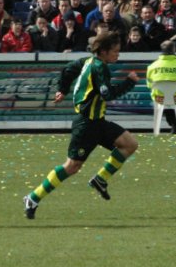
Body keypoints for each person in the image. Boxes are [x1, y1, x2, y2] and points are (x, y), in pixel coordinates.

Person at [23, 31, 139, 218]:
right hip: (86, 124)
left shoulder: (86, 61)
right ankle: (33, 197)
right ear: (103, 51)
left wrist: (62, 89)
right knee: (72, 166)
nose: (118, 54)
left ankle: (100, 179)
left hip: (97, 122)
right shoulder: (100, 67)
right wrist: (129, 82)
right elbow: (108, 94)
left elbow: (68, 70)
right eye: (115, 51)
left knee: (129, 144)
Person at [146, 40, 176, 134]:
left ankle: (174, 124)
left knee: (166, 100)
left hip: (160, 98)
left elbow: (149, 85)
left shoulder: (152, 67)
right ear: (174, 49)